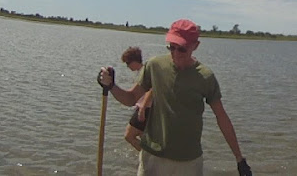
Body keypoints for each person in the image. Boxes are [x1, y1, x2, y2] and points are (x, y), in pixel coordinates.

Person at [98, 19, 252, 176]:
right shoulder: (154, 65)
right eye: (172, 47)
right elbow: (130, 98)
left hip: (188, 162)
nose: (176, 53)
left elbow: (221, 117)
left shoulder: (205, 77)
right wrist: (111, 86)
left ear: (195, 46)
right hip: (152, 157)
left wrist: (239, 158)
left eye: (182, 49)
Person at [120, 46, 152, 151]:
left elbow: (151, 90)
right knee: (144, 137)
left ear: (134, 61)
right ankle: (147, 155)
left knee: (128, 136)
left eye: (128, 63)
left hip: (146, 108)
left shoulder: (145, 71)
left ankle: (146, 155)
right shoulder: (142, 71)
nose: (127, 66)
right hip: (146, 108)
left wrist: (142, 108)